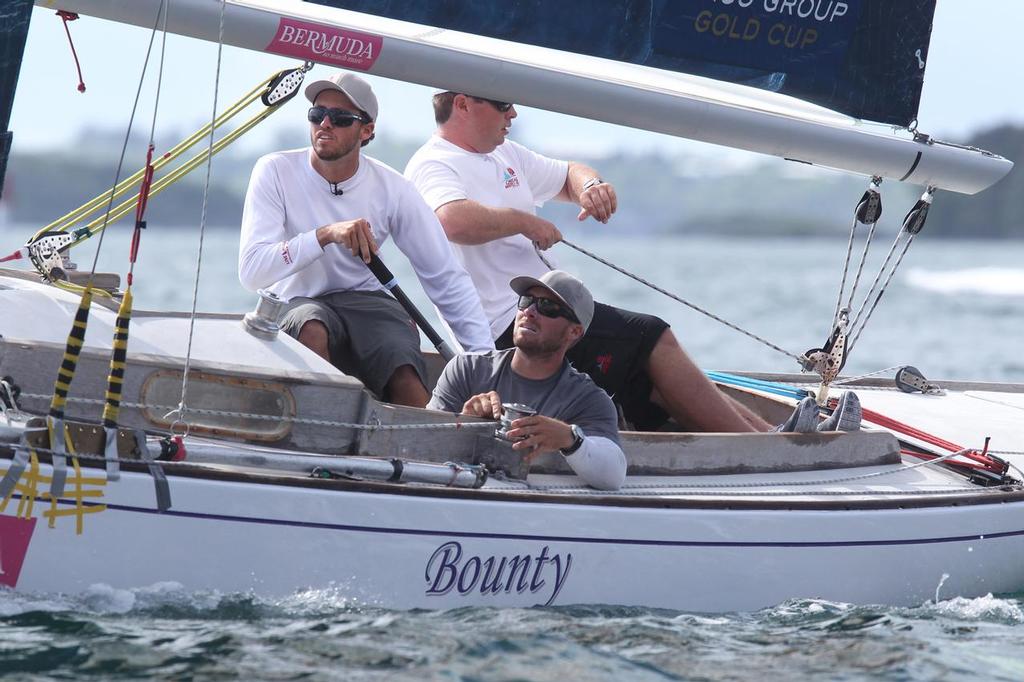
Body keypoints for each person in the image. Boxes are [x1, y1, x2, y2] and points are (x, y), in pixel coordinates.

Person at [405, 91, 771, 432]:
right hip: (507, 326)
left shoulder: (505, 154)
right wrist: (525, 221)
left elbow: (568, 174)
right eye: (503, 103)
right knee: (651, 336)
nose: (513, 113)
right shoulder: (433, 163)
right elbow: (451, 219)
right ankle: (763, 448)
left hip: (545, 307)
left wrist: (591, 187)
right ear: (464, 105)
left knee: (646, 373)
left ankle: (769, 435)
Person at [239, 73, 493, 407]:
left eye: (341, 118)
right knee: (312, 329)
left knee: (402, 369)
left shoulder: (394, 188)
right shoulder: (273, 170)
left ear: (367, 130)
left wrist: (486, 368)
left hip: (369, 303)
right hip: (299, 301)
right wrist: (325, 235)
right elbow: (253, 272)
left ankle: (422, 446)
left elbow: (446, 278)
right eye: (317, 115)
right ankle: (322, 432)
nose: (325, 124)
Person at [428, 270, 626, 491]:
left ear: (574, 331)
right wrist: (465, 422)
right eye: (526, 301)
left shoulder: (589, 400)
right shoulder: (466, 369)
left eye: (547, 307)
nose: (530, 311)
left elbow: (613, 476)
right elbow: (418, 445)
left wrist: (570, 439)